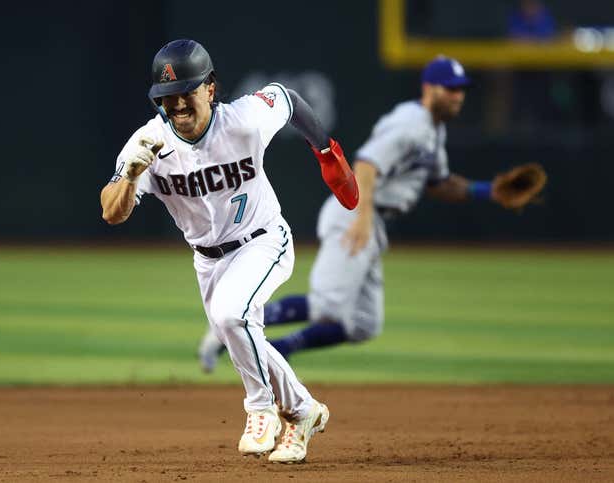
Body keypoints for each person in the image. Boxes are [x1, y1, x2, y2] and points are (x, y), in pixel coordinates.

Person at [100, 39, 358, 464]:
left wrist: (327, 150)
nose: (177, 103)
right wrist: (129, 176)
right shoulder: (147, 143)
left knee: (230, 316)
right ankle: (302, 412)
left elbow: (290, 99)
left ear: (210, 89)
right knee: (240, 331)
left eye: (187, 90)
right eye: (167, 96)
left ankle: (261, 410)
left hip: (263, 239)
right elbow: (113, 212)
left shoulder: (245, 119)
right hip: (208, 260)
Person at [197, 55, 531, 367]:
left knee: (362, 324)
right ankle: (237, 323)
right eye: (451, 89)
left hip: (372, 219)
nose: (458, 96)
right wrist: (362, 217)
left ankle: (274, 346)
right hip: (356, 213)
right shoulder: (410, 124)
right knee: (329, 305)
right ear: (430, 88)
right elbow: (367, 164)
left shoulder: (432, 130)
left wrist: (488, 191)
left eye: (462, 90)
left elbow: (439, 182)